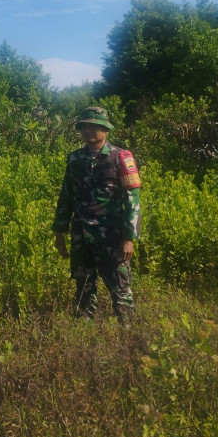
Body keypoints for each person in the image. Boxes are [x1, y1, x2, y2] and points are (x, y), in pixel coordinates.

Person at [52, 107, 141, 323]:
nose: (88, 130)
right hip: (81, 234)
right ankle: (84, 330)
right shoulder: (75, 158)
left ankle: (128, 332)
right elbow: (66, 195)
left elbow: (133, 199)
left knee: (120, 287)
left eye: (95, 126)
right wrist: (59, 232)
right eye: (84, 126)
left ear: (106, 129)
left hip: (111, 236)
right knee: (83, 286)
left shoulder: (121, 157)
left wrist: (129, 238)